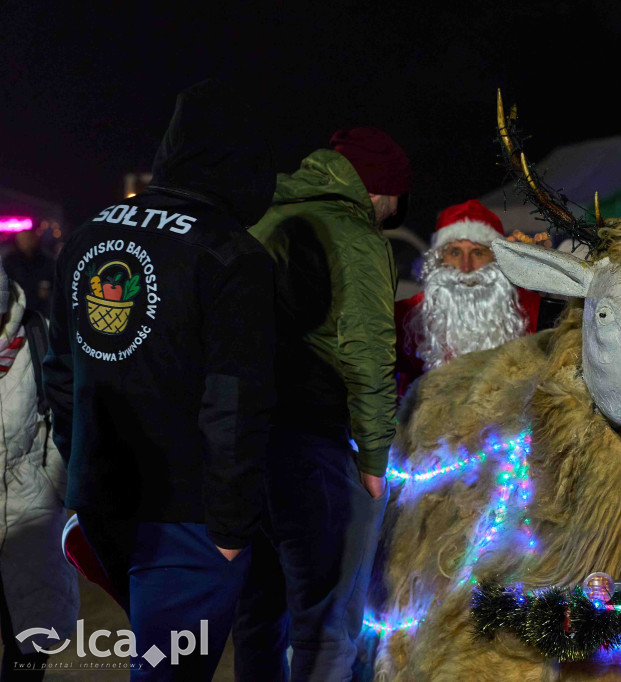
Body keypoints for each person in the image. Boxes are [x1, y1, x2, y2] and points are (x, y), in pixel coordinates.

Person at [41, 80, 277, 680]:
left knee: (156, 655)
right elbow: (235, 405)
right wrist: (229, 529)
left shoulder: (90, 235)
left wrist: (83, 467)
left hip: (102, 497)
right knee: (170, 670)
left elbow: (62, 374)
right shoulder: (231, 254)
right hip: (187, 515)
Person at [233, 127, 412, 681]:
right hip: (312, 445)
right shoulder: (357, 237)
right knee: (327, 623)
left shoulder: (263, 218)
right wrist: (375, 458)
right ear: (380, 191)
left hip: (242, 443)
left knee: (258, 616)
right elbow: (366, 353)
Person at [0, 263, 78, 680]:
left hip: (30, 507)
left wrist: (53, 485)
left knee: (29, 643)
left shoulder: (37, 333)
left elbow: (63, 417)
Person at [394, 199, 541, 399]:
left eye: (477, 252)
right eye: (455, 252)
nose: (465, 267)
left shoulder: (535, 311)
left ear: (496, 259)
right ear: (439, 259)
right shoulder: (406, 316)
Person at [3, 224, 55, 314]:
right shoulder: (10, 261)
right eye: (23, 239)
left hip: (41, 310)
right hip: (17, 308)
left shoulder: (46, 260)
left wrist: (48, 291)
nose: (27, 242)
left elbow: (54, 280)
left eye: (30, 239)